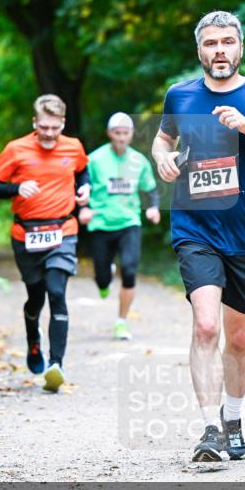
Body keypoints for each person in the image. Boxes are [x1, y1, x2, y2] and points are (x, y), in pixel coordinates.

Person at [151, 11, 245, 462]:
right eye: (211, 44)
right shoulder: (181, 94)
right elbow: (161, 139)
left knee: (241, 336)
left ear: (240, 47)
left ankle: (233, 417)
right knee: (206, 324)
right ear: (199, 50)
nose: (220, 51)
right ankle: (210, 428)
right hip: (195, 227)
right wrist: (162, 159)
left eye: (227, 42)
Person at [0, 94, 90, 393]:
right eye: (43, 127)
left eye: (54, 128)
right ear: (35, 122)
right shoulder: (16, 149)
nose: (48, 134)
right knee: (36, 297)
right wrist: (17, 187)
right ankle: (33, 340)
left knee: (57, 291)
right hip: (26, 235)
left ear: (63, 124)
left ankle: (56, 366)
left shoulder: (74, 146)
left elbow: (82, 171)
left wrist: (84, 189)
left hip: (63, 230)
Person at [83, 112, 160, 341]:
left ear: (131, 135)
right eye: (117, 133)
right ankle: (104, 278)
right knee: (102, 278)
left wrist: (153, 207)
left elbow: (151, 189)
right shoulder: (94, 159)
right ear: (109, 133)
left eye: (125, 133)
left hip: (129, 222)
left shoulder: (138, 161)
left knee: (129, 270)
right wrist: (82, 209)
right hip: (100, 223)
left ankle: (121, 322)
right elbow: (81, 186)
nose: (121, 138)